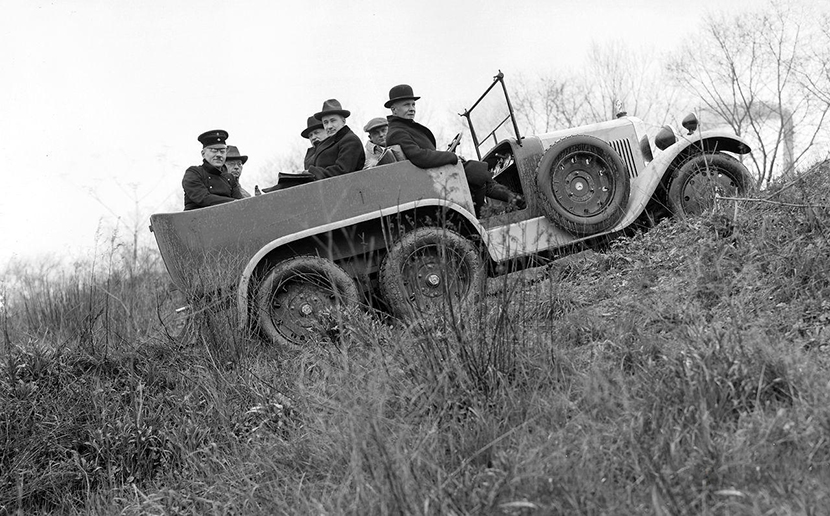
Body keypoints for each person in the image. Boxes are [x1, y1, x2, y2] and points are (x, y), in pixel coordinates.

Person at [383, 84, 524, 216]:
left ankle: (511, 203)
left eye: (413, 104)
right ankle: (494, 209)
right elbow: (419, 156)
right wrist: (451, 157)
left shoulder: (403, 127)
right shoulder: (398, 132)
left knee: (478, 173)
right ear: (394, 109)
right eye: (406, 105)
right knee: (477, 173)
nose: (412, 108)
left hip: (432, 174)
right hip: (429, 179)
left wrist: (449, 155)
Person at [182, 129, 243, 210]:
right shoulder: (194, 173)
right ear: (203, 154)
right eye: (214, 151)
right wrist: (234, 202)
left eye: (222, 151)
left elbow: (242, 204)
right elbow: (203, 198)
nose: (219, 155)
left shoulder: (230, 178)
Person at [307, 99, 365, 179]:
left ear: (343, 120)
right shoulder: (324, 143)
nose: (329, 126)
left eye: (333, 121)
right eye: (325, 122)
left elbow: (342, 171)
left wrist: (313, 172)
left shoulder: (350, 140)